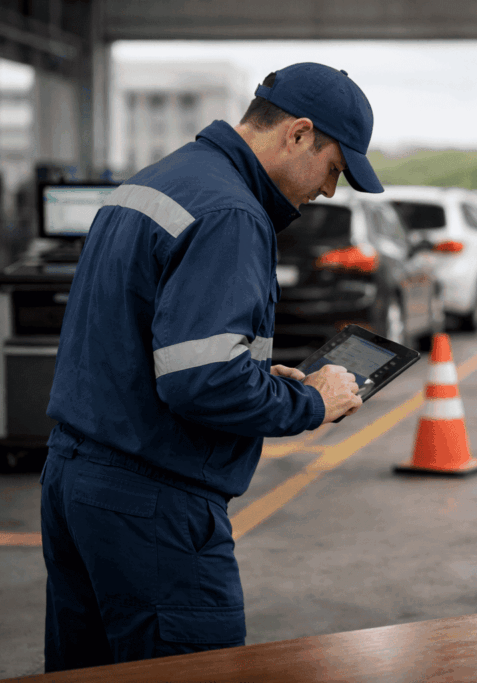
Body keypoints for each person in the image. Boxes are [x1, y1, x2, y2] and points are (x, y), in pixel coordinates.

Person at [38, 63, 384, 672]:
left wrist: (259, 377)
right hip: (153, 501)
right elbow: (201, 382)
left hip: (75, 480)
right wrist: (314, 401)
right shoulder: (233, 213)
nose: (330, 191)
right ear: (299, 134)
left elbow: (151, 345)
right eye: (334, 169)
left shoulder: (159, 180)